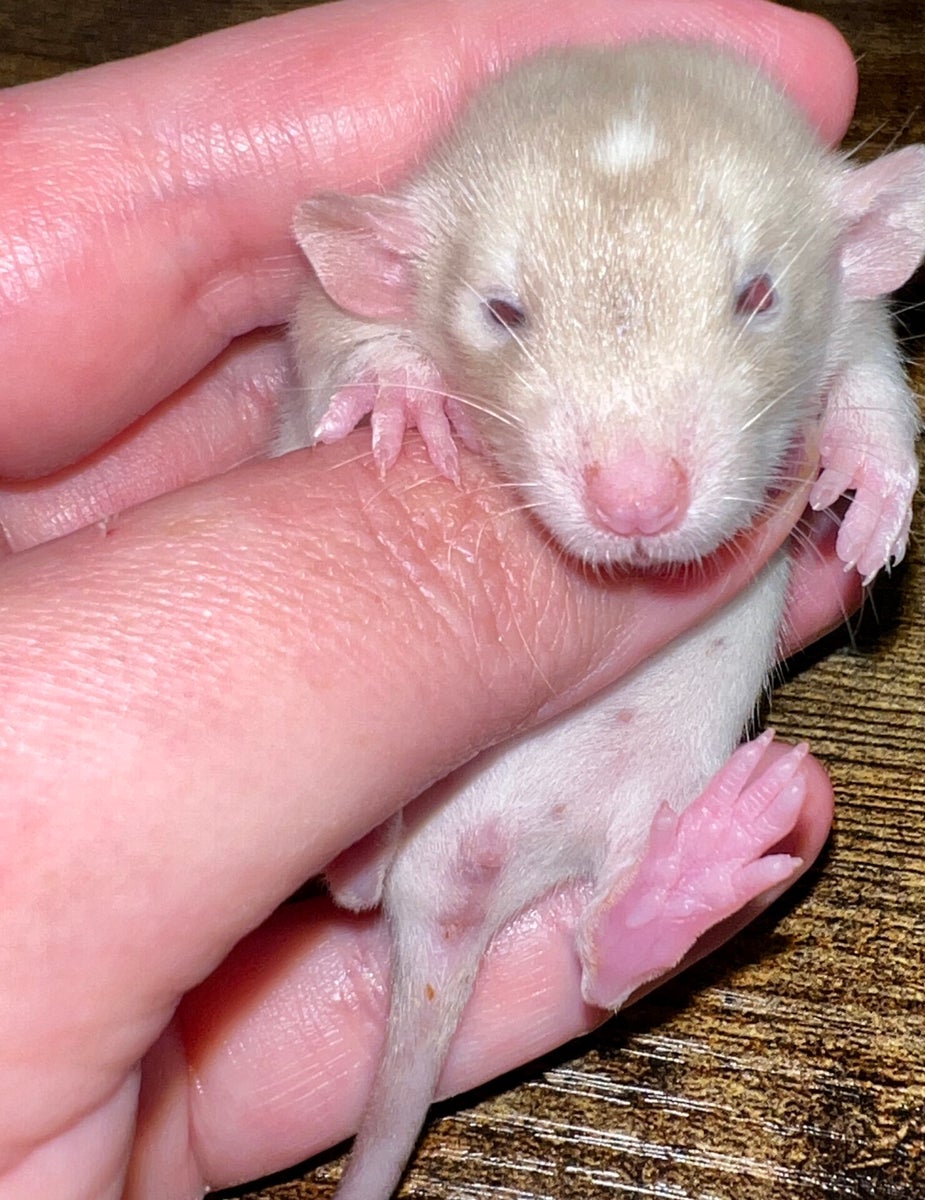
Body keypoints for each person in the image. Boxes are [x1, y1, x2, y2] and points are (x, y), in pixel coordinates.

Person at [0, 2, 859, 1195]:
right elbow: (336, 322)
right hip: (393, 777)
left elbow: (852, 347)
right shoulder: (412, 246)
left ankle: (619, 904)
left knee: (713, 675)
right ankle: (366, 824)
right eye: (508, 312)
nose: (637, 485)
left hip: (559, 766)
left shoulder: (806, 238)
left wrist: (876, 432)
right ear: (397, 260)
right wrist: (377, 360)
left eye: (748, 303)